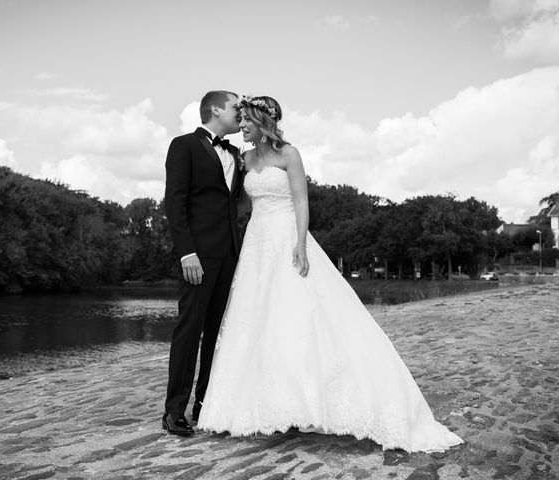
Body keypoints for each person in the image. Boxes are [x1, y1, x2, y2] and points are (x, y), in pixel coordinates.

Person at [197, 95, 464, 453]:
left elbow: (300, 200)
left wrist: (302, 244)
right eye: (239, 120)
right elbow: (243, 204)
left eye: (246, 121)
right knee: (257, 320)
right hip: (256, 245)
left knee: (299, 315)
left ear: (263, 122)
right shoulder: (245, 158)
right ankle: (268, 403)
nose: (241, 126)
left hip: (288, 238)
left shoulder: (289, 154)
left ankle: (316, 399)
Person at [162, 90, 243, 436]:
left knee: (217, 334)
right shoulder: (184, 146)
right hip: (197, 256)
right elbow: (175, 203)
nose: (240, 113)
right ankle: (173, 410)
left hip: (230, 256)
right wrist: (186, 252)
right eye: (235, 107)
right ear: (214, 109)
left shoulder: (237, 154)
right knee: (189, 330)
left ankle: (206, 402)